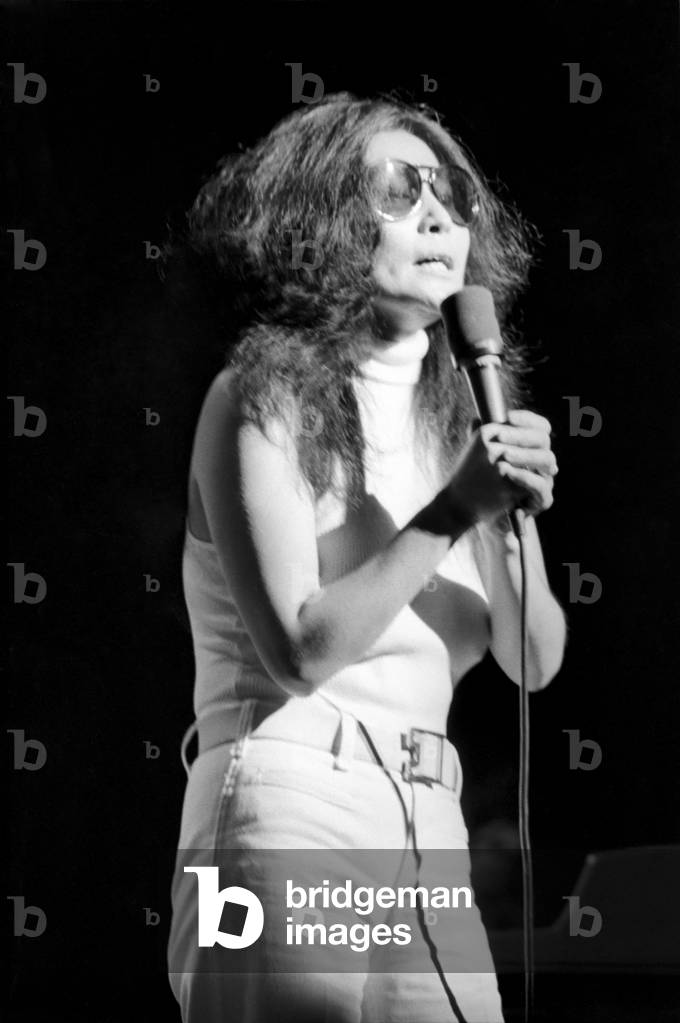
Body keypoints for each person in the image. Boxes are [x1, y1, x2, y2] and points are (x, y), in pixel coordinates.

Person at [166, 93, 567, 1023]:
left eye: (450, 192)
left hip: (431, 825)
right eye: (397, 189)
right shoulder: (260, 395)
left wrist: (502, 507)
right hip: (291, 796)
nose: (437, 214)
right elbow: (299, 650)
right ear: (323, 224)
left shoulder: (460, 415)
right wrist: (451, 508)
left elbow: (532, 659)